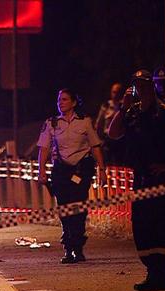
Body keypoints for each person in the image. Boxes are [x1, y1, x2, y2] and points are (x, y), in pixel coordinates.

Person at [108, 70, 165, 291]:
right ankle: (152, 272)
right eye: (136, 85)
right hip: (140, 179)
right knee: (141, 226)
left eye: (144, 84)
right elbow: (113, 133)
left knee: (159, 226)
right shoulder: (132, 113)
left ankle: (160, 274)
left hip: (160, 179)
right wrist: (122, 107)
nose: (140, 89)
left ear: (151, 87)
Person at [37, 88, 107, 264]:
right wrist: (42, 171)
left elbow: (95, 146)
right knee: (64, 209)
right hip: (61, 171)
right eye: (59, 100)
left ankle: (78, 246)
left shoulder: (84, 122)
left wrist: (102, 170)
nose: (61, 103)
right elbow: (44, 148)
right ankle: (68, 248)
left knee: (79, 209)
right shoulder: (52, 123)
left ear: (74, 102)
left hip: (81, 170)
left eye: (65, 100)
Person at [94, 82, 124, 164]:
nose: (115, 95)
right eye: (114, 92)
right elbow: (99, 124)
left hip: (121, 141)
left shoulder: (124, 106)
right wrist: (99, 141)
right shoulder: (106, 106)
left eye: (118, 92)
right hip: (108, 140)